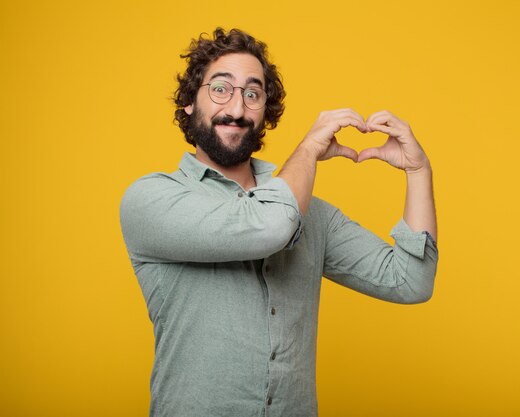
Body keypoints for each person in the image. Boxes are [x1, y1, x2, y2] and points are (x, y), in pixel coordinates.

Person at [120, 27, 438, 417]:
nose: (237, 110)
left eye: (252, 94)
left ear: (265, 111)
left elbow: (410, 282)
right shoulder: (152, 200)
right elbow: (269, 226)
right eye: (221, 89)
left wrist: (419, 172)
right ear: (189, 101)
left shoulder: (311, 213)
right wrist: (308, 148)